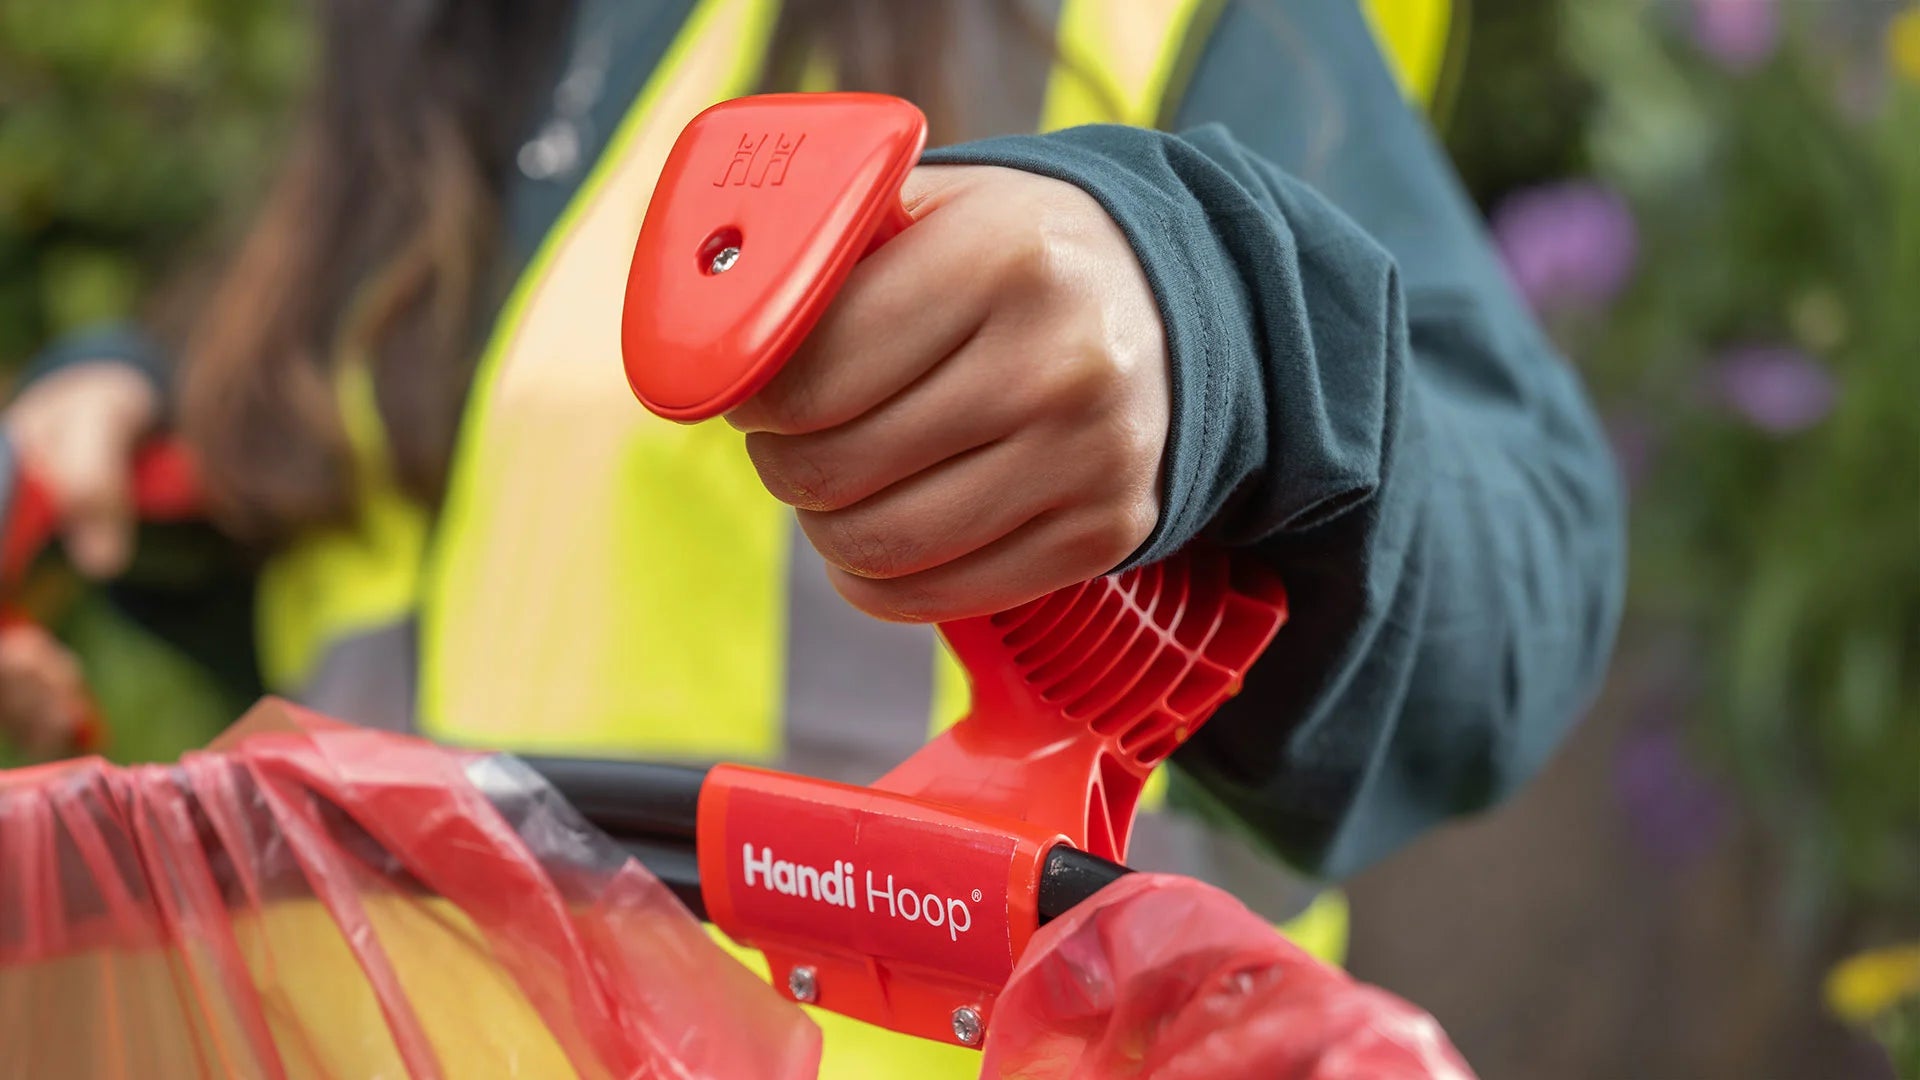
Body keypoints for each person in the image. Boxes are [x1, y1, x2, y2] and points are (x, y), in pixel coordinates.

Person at [3, 0, 1623, 1073]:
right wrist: (132, 417)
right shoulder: (443, 64)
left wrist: (1210, 327)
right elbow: (439, 593)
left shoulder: (1145, 20)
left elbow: (1527, 582)